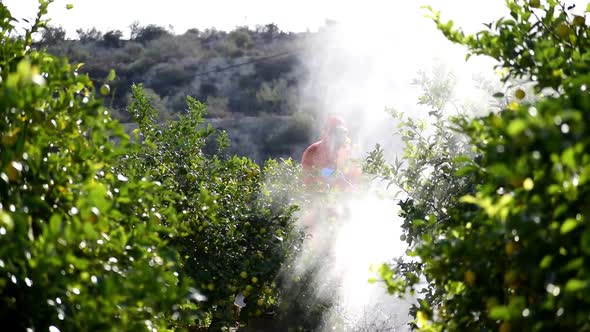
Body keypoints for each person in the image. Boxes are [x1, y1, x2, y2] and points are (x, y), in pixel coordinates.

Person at [301, 116, 361, 192]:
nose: (340, 137)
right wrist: (333, 174)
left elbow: (356, 176)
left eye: (342, 133)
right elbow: (308, 174)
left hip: (343, 197)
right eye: (336, 133)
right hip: (318, 197)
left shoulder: (347, 152)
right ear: (327, 132)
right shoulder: (313, 150)